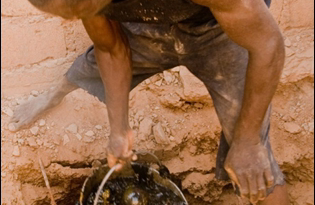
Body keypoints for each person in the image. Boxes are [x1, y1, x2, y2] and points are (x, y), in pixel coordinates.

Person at [9, 0, 289, 204]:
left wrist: (248, 141)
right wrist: (118, 130)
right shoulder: (84, 3)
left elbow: (268, 44)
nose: (75, 18)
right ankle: (53, 94)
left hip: (218, 28)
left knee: (253, 160)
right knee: (86, 70)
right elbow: (111, 48)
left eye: (81, 8)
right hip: (147, 24)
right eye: (67, 14)